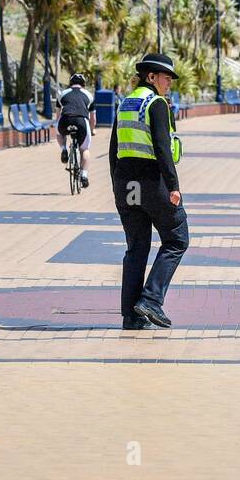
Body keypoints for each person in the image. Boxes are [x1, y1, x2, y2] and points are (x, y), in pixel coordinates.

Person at [110, 53, 188, 331]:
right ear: (151, 77)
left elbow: (113, 149)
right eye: (166, 77)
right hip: (153, 182)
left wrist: (116, 183)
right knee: (177, 239)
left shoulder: (125, 104)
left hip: (125, 184)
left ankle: (131, 315)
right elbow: (162, 149)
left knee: (136, 248)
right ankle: (152, 300)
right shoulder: (155, 104)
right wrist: (174, 186)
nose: (169, 83)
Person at [57, 72, 96, 187]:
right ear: (83, 84)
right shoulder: (89, 95)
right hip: (81, 121)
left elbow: (57, 115)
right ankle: (84, 175)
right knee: (85, 149)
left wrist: (59, 128)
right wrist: (93, 130)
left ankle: (63, 149)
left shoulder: (62, 94)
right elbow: (93, 118)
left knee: (59, 132)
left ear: (70, 83)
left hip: (65, 120)